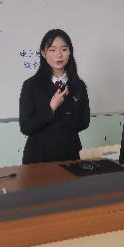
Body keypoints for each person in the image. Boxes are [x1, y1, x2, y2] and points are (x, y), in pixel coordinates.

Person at [19, 29, 90, 164]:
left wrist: (67, 113)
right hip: (39, 156)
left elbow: (84, 122)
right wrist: (51, 108)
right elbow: (26, 127)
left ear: (70, 52)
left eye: (64, 49)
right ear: (43, 53)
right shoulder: (31, 85)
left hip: (70, 154)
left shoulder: (78, 85)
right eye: (52, 50)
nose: (59, 55)